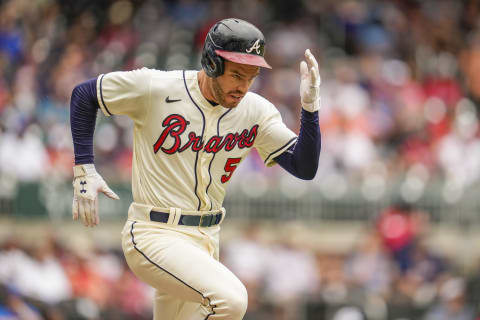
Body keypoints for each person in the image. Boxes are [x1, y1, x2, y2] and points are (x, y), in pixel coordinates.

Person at [70, 18, 321, 320]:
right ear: (212, 62)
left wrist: (309, 109)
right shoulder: (157, 87)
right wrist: (84, 167)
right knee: (231, 300)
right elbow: (85, 95)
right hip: (154, 232)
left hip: (205, 240)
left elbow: (304, 167)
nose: (243, 86)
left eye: (251, 76)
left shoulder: (255, 110)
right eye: (237, 74)